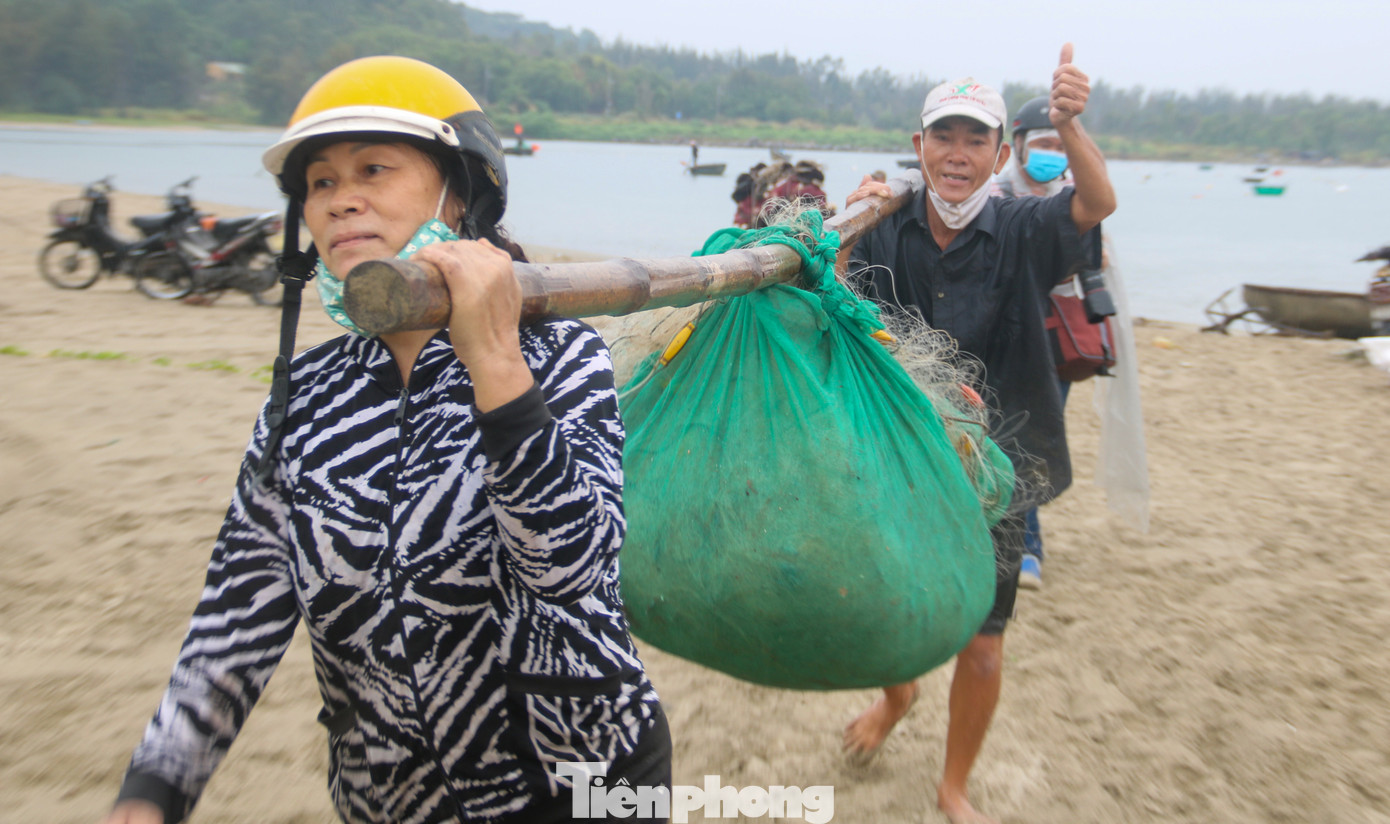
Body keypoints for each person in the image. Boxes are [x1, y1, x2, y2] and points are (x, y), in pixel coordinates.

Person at [100, 56, 670, 824]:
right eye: (321, 183)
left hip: (582, 784)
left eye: (374, 169)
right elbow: (235, 614)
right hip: (393, 802)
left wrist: (495, 361)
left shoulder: (561, 356)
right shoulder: (304, 400)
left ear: (459, 195)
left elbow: (572, 568)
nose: (341, 202)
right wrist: (155, 788)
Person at [837, 45, 1115, 824]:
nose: (957, 157)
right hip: (903, 458)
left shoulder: (1027, 224)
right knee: (878, 609)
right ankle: (897, 698)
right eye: (943, 138)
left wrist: (1070, 125)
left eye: (974, 141)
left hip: (1002, 465)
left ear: (1000, 154)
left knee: (982, 644)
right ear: (919, 145)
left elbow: (1096, 202)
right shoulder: (889, 226)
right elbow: (828, 305)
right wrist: (849, 227)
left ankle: (953, 787)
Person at [991, 94, 1079, 590]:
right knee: (1007, 436)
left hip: (1059, 343)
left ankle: (1028, 547)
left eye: (1059, 143)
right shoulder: (996, 195)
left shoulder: (1077, 195)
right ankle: (1022, 545)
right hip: (1009, 337)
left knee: (1036, 436)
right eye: (1042, 142)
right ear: (1017, 146)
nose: (1052, 152)